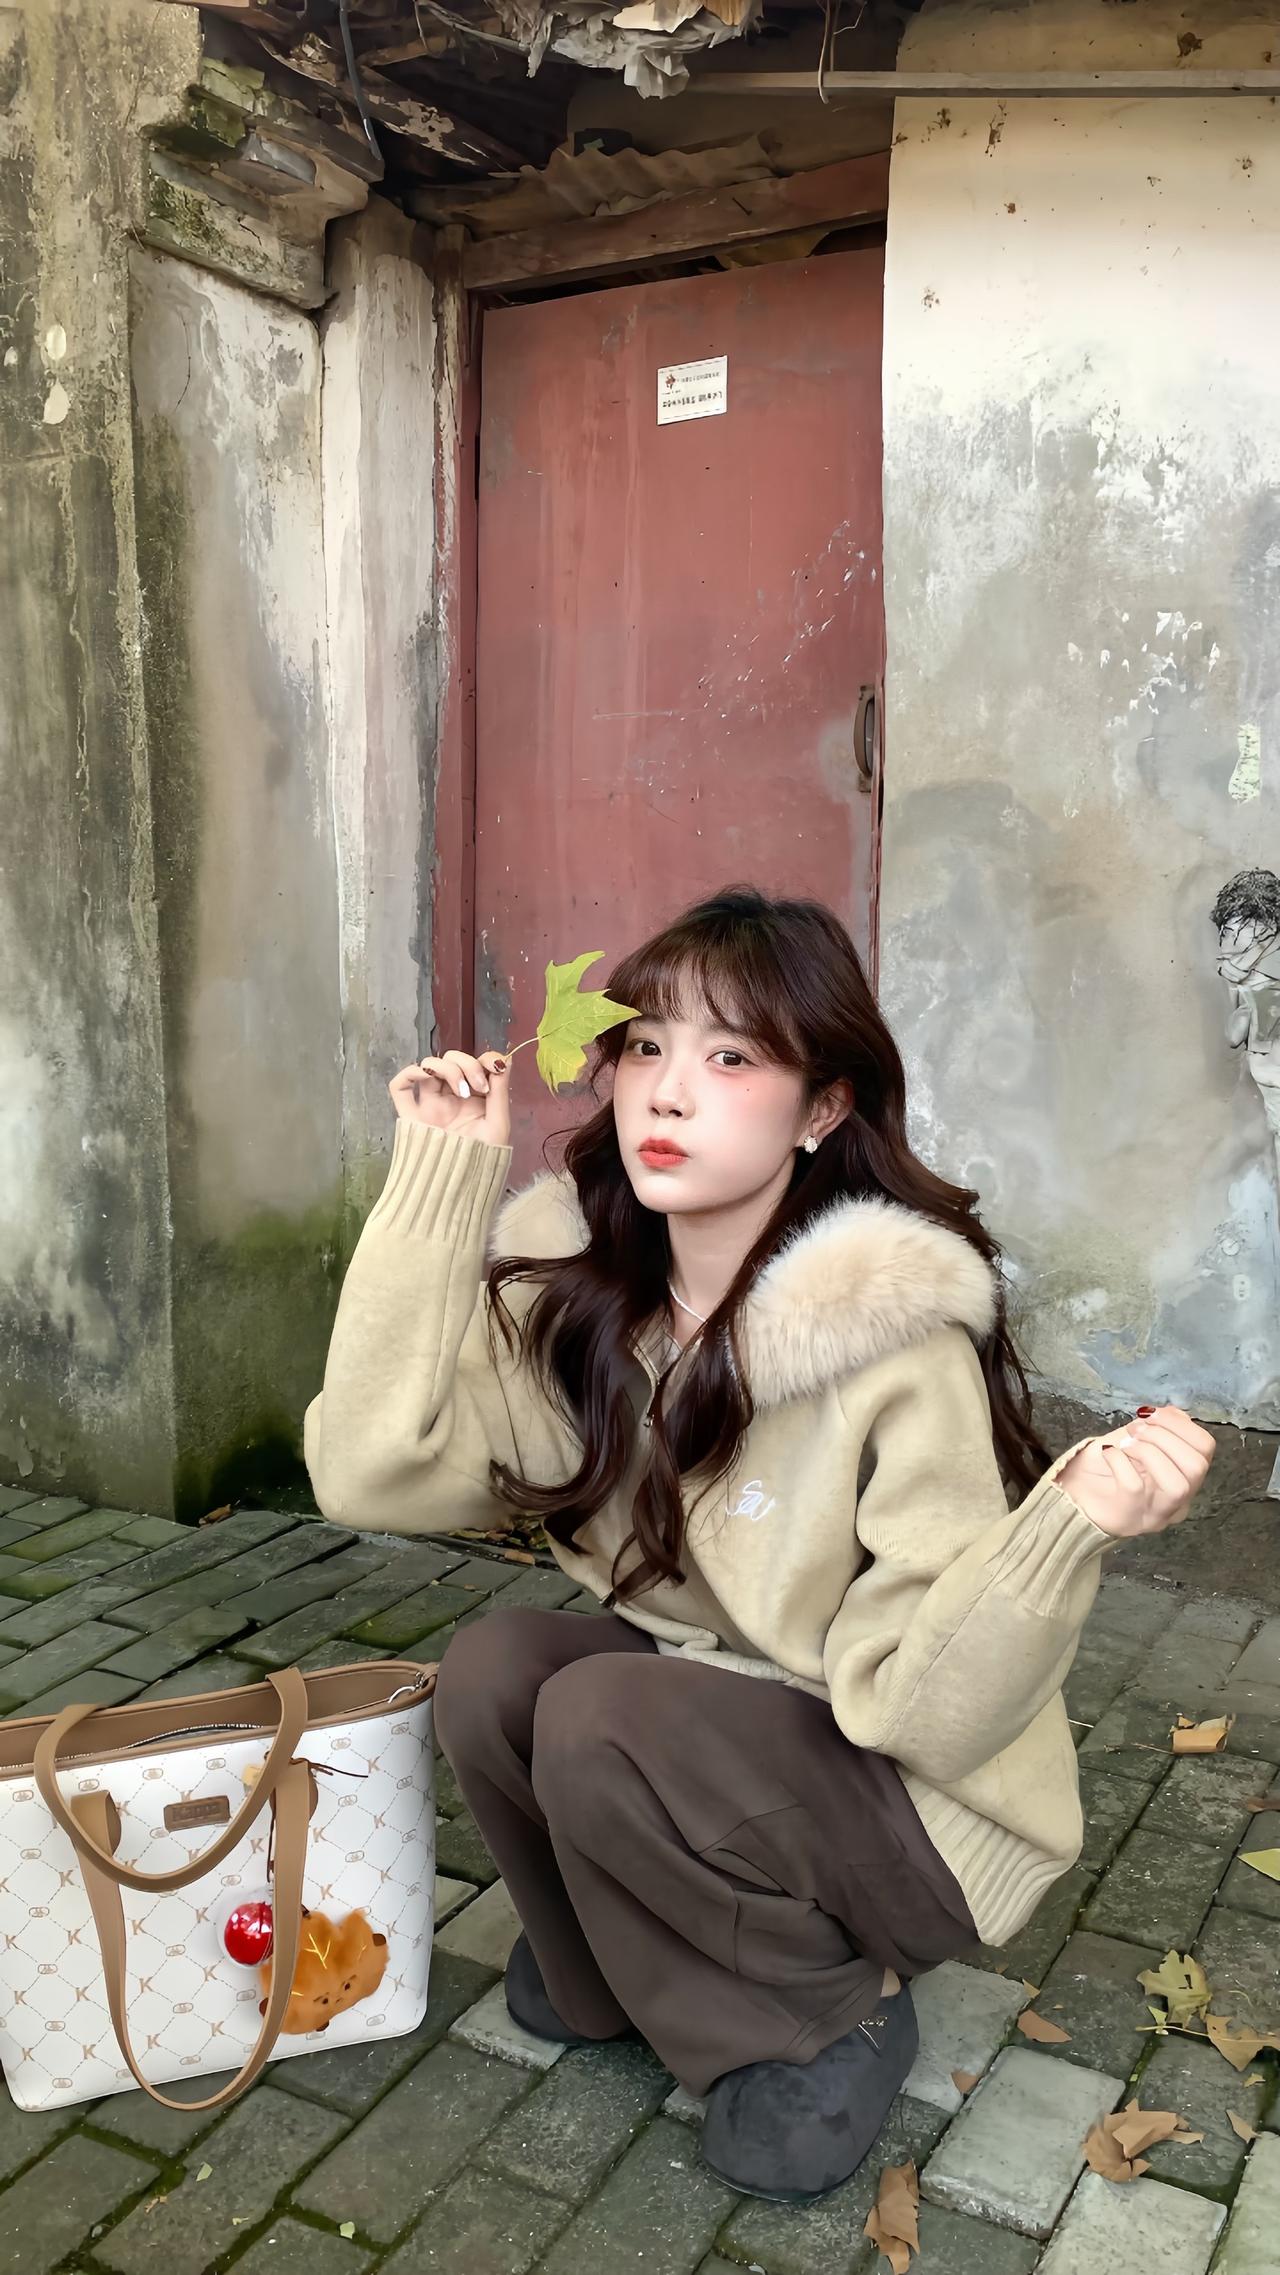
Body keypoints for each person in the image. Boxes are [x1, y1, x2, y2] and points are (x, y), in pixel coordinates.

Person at [305, 888, 1213, 2203]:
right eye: (647, 1046)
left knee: (602, 1717)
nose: (670, 1092)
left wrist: (1064, 1532)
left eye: (731, 1057)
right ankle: (606, 1965)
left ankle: (824, 2013)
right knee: (500, 1670)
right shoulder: (589, 1298)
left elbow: (929, 1711)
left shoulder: (894, 1344)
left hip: (911, 1804)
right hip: (722, 1730)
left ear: (822, 1109)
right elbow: (365, 1470)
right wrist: (442, 1180)